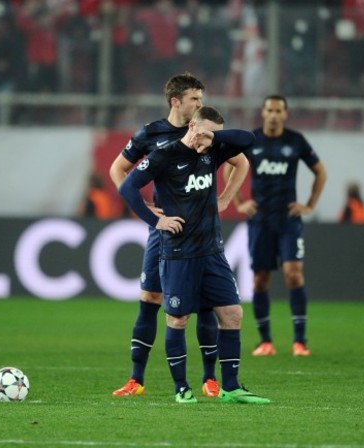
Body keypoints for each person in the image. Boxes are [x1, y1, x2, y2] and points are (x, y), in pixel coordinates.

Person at [119, 106, 270, 404]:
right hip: (178, 252)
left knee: (232, 313)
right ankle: (181, 389)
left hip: (212, 250)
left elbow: (248, 139)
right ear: (192, 126)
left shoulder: (212, 150)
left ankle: (230, 386)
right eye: (204, 134)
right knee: (178, 318)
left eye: (213, 136)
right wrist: (156, 221)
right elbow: (127, 187)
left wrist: (213, 139)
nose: (208, 141)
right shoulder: (164, 154)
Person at [110, 73, 221, 399]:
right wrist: (146, 208)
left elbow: (232, 161)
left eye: (201, 99)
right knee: (149, 301)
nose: (200, 105)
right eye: (194, 100)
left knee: (205, 305)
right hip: (165, 231)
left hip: (199, 231)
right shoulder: (151, 134)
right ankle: (136, 379)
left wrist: (226, 198)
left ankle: (209, 378)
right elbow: (118, 171)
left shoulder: (205, 131)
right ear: (176, 101)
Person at [224, 95, 327, 357]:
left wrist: (309, 204)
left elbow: (320, 171)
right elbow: (228, 167)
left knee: (294, 273)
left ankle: (300, 341)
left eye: (278, 110)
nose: (273, 114)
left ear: (285, 114)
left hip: (288, 220)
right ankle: (265, 341)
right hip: (260, 221)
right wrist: (239, 201)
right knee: (260, 280)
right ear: (263, 112)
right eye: (269, 109)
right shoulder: (252, 139)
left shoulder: (295, 141)